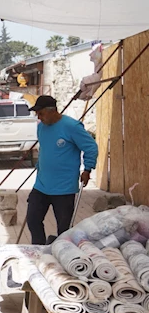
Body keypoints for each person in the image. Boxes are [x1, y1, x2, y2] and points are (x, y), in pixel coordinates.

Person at [26, 95, 98, 245]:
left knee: (64, 229)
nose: (39, 117)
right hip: (42, 185)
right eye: (37, 114)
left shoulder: (72, 126)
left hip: (64, 188)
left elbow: (91, 147)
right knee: (33, 219)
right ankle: (39, 251)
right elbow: (45, 150)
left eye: (41, 113)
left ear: (52, 111)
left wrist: (88, 169)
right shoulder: (41, 127)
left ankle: (62, 253)